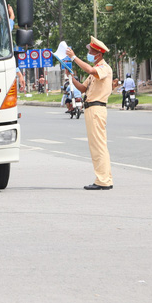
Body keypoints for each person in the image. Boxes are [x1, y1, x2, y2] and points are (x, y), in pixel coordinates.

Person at [65, 36, 113, 191]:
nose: (89, 54)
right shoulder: (94, 72)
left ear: (98, 54)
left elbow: (90, 69)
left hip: (97, 108)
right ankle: (105, 178)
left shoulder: (103, 68)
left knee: (98, 146)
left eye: (91, 52)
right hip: (91, 108)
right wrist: (71, 77)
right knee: (97, 146)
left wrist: (74, 58)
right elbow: (83, 88)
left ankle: (103, 180)